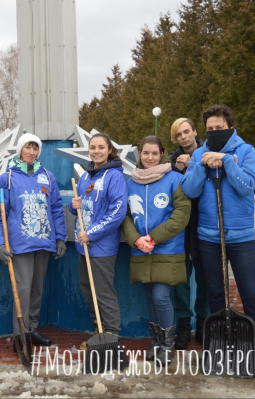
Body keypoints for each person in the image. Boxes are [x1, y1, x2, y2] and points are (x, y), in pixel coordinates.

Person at [181, 104, 255, 374]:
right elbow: (190, 190)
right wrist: (201, 165)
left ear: (230, 127)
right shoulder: (199, 152)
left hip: (241, 237)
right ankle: (222, 348)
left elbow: (247, 187)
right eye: (209, 129)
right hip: (209, 237)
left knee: (250, 293)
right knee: (216, 295)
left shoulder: (245, 151)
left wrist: (228, 163)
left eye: (219, 128)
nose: (214, 132)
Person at [0, 133, 67, 352]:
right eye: (27, 147)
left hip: (43, 241)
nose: (31, 152)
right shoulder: (8, 177)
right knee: (22, 289)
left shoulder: (47, 176)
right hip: (19, 243)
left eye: (35, 148)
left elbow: (55, 209)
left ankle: (32, 328)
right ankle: (20, 334)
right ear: (20, 150)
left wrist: (60, 237)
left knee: (36, 289)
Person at [123, 135, 190, 365]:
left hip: (167, 248)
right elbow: (127, 217)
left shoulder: (174, 179)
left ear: (162, 154)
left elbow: (181, 214)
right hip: (141, 248)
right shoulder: (131, 182)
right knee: (150, 298)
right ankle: (156, 342)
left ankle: (168, 345)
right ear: (139, 155)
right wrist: (136, 239)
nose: (149, 157)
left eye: (154, 153)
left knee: (161, 297)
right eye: (145, 153)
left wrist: (154, 237)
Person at [68, 132, 128, 349]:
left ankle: (112, 337)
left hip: (101, 246)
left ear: (109, 150)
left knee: (102, 291)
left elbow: (117, 212)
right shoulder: (86, 175)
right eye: (93, 147)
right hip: (83, 246)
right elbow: (82, 207)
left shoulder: (115, 176)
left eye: (101, 147)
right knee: (87, 288)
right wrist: (72, 206)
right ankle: (98, 330)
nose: (96, 151)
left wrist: (91, 233)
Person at [169, 118, 210, 349]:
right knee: (181, 278)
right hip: (182, 227)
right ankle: (184, 324)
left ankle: (203, 323)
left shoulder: (208, 153)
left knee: (204, 277)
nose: (184, 137)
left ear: (195, 132)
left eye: (187, 132)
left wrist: (194, 162)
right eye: (179, 134)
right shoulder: (174, 161)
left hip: (205, 224)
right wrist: (179, 168)